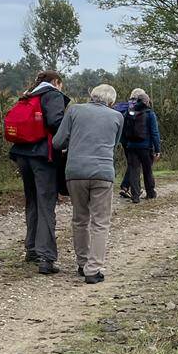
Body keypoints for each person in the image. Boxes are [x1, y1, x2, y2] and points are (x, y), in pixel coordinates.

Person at [51, 84, 123, 284]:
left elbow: (58, 142)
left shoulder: (74, 110)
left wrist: (73, 144)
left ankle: (82, 263)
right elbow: (114, 144)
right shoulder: (117, 117)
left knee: (80, 218)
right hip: (103, 172)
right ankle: (93, 269)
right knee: (100, 221)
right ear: (112, 102)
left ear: (91, 95)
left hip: (75, 171)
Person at [6, 70, 70, 274]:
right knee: (46, 203)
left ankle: (32, 249)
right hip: (43, 156)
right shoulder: (52, 94)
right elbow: (55, 122)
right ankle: (46, 257)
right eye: (61, 84)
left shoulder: (28, 94)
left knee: (32, 201)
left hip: (22, 153)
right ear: (56, 82)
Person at [122, 91, 161, 204]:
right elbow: (154, 132)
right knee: (147, 170)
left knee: (134, 170)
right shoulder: (150, 114)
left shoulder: (128, 113)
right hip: (145, 147)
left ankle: (135, 196)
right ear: (147, 102)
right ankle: (150, 192)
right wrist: (157, 149)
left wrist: (126, 144)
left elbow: (124, 132)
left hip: (131, 147)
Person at [116, 88, 148, 199]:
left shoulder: (123, 106)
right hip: (135, 140)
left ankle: (132, 188)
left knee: (132, 164)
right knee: (134, 165)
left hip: (123, 139)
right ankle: (126, 187)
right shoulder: (139, 106)